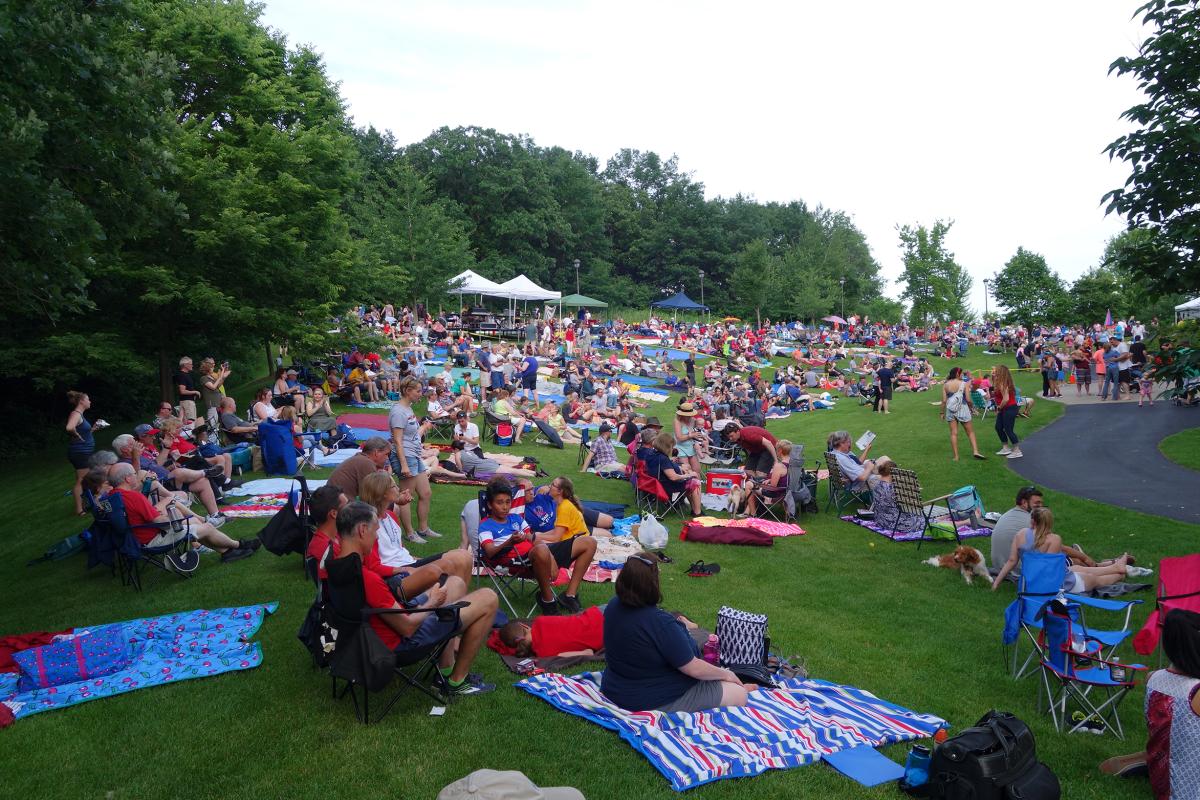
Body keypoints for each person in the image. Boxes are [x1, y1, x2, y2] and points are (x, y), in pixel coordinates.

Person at [335, 500, 497, 696]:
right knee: (488, 598)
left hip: (365, 639)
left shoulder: (334, 567)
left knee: (455, 583)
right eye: (375, 530)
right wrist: (432, 603)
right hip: (400, 645)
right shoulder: (367, 579)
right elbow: (408, 628)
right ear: (362, 530)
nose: (376, 536)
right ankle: (456, 682)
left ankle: (445, 669)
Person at [601, 553, 753, 712]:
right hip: (648, 699)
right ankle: (732, 686)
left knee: (697, 637)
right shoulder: (659, 623)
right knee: (739, 694)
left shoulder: (613, 606)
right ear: (653, 582)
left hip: (614, 688)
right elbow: (693, 668)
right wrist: (726, 675)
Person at [477, 478, 597, 616]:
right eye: (499, 503)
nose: (505, 507)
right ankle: (547, 601)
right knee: (540, 549)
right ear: (490, 505)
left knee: (589, 542)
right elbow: (490, 552)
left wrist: (551, 557)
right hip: (516, 561)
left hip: (540, 553)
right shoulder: (486, 525)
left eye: (508, 502)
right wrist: (510, 541)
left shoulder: (516, 519)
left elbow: (533, 539)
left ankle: (569, 595)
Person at [104, 462, 256, 562]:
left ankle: (227, 552)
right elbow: (159, 521)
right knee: (205, 527)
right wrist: (169, 508)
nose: (136, 476)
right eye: (133, 474)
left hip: (137, 537)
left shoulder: (112, 497)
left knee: (194, 522)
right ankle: (238, 545)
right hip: (152, 540)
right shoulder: (133, 496)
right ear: (127, 478)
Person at [358, 471, 473, 596]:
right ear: (383, 493)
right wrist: (404, 568)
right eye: (394, 486)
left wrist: (419, 560)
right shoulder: (369, 525)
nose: (398, 488)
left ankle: (457, 602)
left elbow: (398, 549)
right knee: (453, 562)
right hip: (396, 574)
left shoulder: (391, 515)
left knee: (464, 555)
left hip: (408, 563)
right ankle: (452, 605)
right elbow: (373, 567)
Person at [990, 507, 1136, 592]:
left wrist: (996, 582)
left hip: (1029, 583)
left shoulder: (1020, 535)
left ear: (1032, 520)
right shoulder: (1053, 539)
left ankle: (1116, 566)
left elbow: (1011, 561)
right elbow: (1050, 570)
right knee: (1093, 579)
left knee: (1077, 568)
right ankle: (1119, 574)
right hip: (1050, 586)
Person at [389, 376, 440, 543]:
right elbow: (397, 441)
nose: (421, 394)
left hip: (414, 455)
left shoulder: (408, 409)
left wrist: (424, 428)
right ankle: (410, 533)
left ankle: (423, 529)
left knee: (426, 493)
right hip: (405, 458)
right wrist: (404, 465)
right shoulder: (398, 412)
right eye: (418, 391)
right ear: (407, 391)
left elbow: (410, 437)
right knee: (406, 497)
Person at [498, 605, 606, 658]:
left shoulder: (542, 654)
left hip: (603, 639)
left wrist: (584, 653)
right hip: (596, 618)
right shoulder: (540, 621)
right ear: (523, 625)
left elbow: (563, 655)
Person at [639, 431, 703, 515]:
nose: (673, 449)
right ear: (667, 447)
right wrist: (689, 475)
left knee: (689, 480)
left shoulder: (652, 454)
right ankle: (697, 512)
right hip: (667, 487)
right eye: (672, 447)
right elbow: (673, 477)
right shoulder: (663, 459)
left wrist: (678, 468)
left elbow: (663, 468)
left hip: (655, 485)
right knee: (696, 482)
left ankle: (694, 508)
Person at [66, 390, 101, 516]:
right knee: (82, 480)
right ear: (82, 401)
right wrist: (75, 434)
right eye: (88, 399)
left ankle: (87, 502)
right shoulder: (76, 414)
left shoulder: (80, 415)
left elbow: (83, 433)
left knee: (83, 479)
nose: (90, 401)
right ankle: (79, 510)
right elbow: (70, 427)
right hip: (80, 452)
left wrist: (92, 430)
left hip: (83, 451)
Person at [869, 460, 925, 534]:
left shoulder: (876, 485)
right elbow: (909, 507)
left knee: (919, 517)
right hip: (895, 524)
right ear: (893, 472)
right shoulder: (894, 489)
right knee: (925, 520)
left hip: (880, 521)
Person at [326, 436, 392, 498]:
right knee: (392, 504)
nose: (387, 458)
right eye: (386, 454)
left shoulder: (361, 459)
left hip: (335, 501)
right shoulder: (366, 463)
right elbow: (373, 496)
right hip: (339, 505)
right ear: (376, 452)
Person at [941, 366, 984, 461]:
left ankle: (956, 456)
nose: (962, 375)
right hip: (963, 409)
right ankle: (975, 451)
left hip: (950, 410)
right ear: (957, 374)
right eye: (961, 373)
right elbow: (968, 399)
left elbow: (944, 401)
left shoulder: (945, 385)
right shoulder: (964, 384)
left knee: (953, 433)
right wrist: (972, 408)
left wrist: (941, 413)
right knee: (970, 432)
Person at [991, 364, 1023, 459]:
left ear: (1000, 372)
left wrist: (999, 408)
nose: (994, 371)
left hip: (1009, 408)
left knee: (1008, 429)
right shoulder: (999, 382)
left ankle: (1017, 450)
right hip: (1004, 408)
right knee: (998, 427)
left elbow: (1006, 399)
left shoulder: (1003, 383)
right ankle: (1005, 448)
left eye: (996, 370)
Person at [672, 402, 705, 476]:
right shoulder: (677, 421)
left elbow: (698, 431)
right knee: (687, 470)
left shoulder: (693, 420)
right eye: (687, 415)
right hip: (680, 448)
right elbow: (679, 438)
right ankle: (688, 486)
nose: (689, 417)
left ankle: (697, 486)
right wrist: (691, 436)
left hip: (690, 446)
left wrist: (700, 437)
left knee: (697, 469)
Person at [174, 357, 201, 422]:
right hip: (187, 402)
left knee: (192, 422)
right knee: (190, 423)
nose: (192, 365)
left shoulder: (186, 375)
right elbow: (182, 391)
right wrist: (195, 392)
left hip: (189, 402)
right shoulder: (182, 375)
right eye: (191, 364)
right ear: (185, 365)